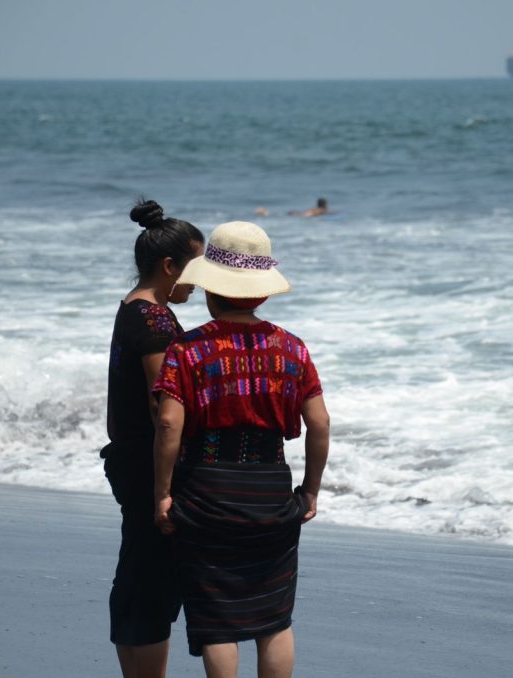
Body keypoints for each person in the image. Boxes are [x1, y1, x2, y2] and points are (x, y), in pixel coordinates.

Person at [152, 221, 331, 678]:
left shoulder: (187, 350)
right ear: (263, 293)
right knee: (273, 619)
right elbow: (319, 423)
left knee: (218, 623)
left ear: (210, 290)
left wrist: (163, 494)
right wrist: (310, 491)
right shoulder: (292, 349)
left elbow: (170, 423)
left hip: (207, 487)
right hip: (270, 487)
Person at [101, 199, 204, 678]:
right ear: (168, 266)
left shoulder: (132, 307)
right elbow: (163, 410)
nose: (199, 282)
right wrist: (169, 485)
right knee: (154, 583)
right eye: (194, 269)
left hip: (127, 455)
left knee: (135, 574)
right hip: (148, 462)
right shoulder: (157, 322)